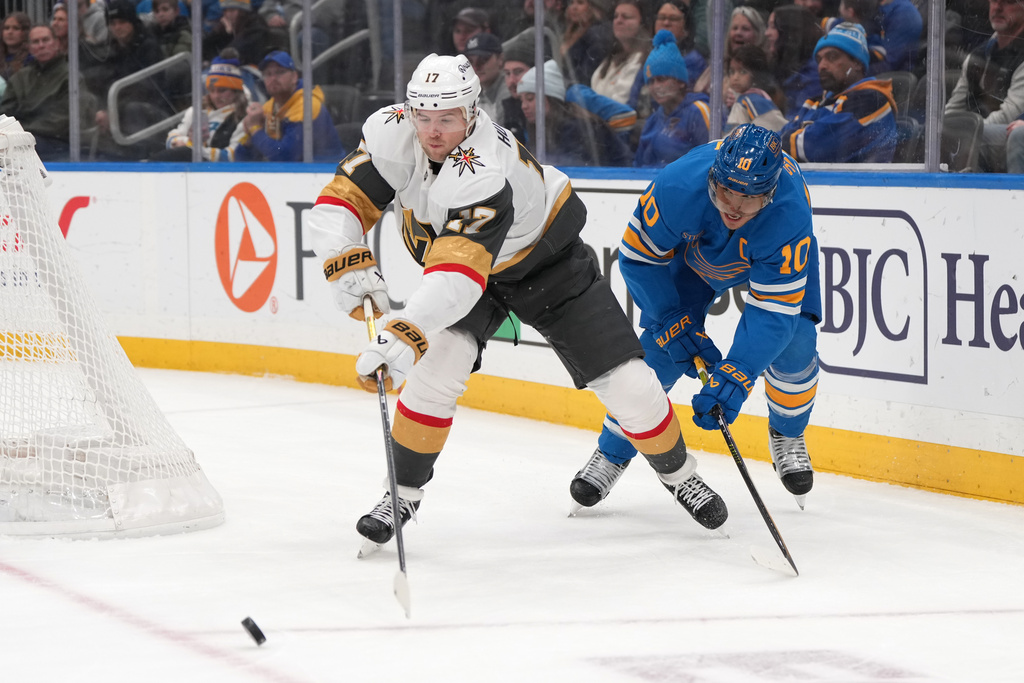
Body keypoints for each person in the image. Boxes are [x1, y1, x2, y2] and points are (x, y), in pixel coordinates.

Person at [306, 53, 726, 546]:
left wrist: (406, 330)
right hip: (464, 267)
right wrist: (345, 258)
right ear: (409, 110)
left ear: (472, 111)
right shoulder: (393, 132)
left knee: (630, 385)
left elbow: (461, 275)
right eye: (423, 117)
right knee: (436, 367)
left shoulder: (484, 168)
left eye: (447, 118)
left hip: (546, 263)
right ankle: (401, 493)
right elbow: (343, 199)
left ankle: (679, 475)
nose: (433, 131)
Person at [569, 123, 820, 514]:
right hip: (697, 258)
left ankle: (787, 433)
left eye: (749, 198)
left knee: (797, 341)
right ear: (713, 178)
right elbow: (638, 258)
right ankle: (614, 451)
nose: (734, 206)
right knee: (661, 349)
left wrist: (738, 371)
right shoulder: (678, 185)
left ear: (769, 196)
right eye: (725, 192)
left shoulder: (789, 216)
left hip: (766, 250)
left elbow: (773, 313)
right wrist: (670, 317)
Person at [778, 22, 897, 163]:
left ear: (857, 63)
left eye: (832, 57)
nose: (822, 66)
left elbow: (816, 146)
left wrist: (776, 145)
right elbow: (782, 137)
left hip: (859, 184)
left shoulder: (871, 100)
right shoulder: (815, 102)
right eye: (819, 59)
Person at [945, 0, 1024, 173]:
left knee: (974, 141)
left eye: (1008, 2)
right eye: (994, 1)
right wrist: (942, 130)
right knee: (938, 135)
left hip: (1009, 130)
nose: (998, 7)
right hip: (984, 128)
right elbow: (954, 107)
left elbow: (1008, 116)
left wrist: (965, 135)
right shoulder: (979, 53)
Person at [0, 25, 95, 161]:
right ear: (30, 48)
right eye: (36, 42)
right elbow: (6, 112)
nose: (41, 46)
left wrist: (23, 132)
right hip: (21, 139)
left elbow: (64, 119)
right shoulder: (20, 77)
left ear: (56, 43)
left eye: (45, 40)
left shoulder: (71, 77)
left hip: (58, 142)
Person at [235, 50, 345, 162]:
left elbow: (286, 156)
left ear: (294, 77)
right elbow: (241, 158)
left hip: (326, 173)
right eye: (268, 74)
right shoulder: (269, 106)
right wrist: (249, 138)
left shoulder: (307, 104)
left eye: (280, 72)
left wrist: (255, 129)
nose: (273, 78)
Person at [520, 58, 632, 166]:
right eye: (521, 100)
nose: (523, 106)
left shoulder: (579, 129)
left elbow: (576, 169)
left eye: (530, 98)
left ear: (550, 98)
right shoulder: (538, 132)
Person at [633, 29, 710, 167]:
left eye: (662, 79)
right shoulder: (653, 120)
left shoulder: (698, 112)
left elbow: (710, 161)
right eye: (651, 82)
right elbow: (637, 166)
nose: (656, 86)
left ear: (681, 82)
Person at [151, 52, 248, 161]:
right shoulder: (197, 110)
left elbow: (232, 156)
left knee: (182, 153)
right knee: (149, 146)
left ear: (236, 91)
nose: (216, 96)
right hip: (190, 162)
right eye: (211, 90)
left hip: (218, 171)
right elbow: (173, 136)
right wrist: (185, 143)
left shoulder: (244, 116)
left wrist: (194, 148)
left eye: (222, 91)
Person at [694, 6, 767, 107]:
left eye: (745, 29)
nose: (738, 33)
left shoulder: (764, 70)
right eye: (735, 28)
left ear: (758, 34)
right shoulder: (716, 67)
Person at [766, 5, 824, 114]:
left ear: (790, 32)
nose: (766, 33)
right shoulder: (776, 67)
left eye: (773, 27)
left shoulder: (812, 76)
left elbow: (798, 122)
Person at [591, 0, 650, 104]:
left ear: (642, 23)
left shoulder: (644, 60)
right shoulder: (611, 58)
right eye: (615, 16)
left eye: (626, 17)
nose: (619, 20)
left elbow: (621, 103)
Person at [726, 45, 788, 132]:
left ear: (756, 75)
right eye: (732, 72)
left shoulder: (751, 101)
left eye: (743, 72)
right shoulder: (744, 100)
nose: (735, 77)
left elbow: (774, 129)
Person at [561, 0, 614, 86]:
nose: (574, 7)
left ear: (593, 8)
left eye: (580, 3)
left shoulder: (597, 35)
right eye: (571, 3)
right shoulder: (566, 32)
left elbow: (584, 77)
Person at [464, 32, 509, 121]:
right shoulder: (471, 92)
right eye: (470, 61)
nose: (476, 67)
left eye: (483, 60)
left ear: (500, 59)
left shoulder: (507, 93)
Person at [0, 12, 32, 81]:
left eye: (16, 28)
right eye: (6, 28)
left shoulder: (31, 58)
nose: (10, 32)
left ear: (25, 32)